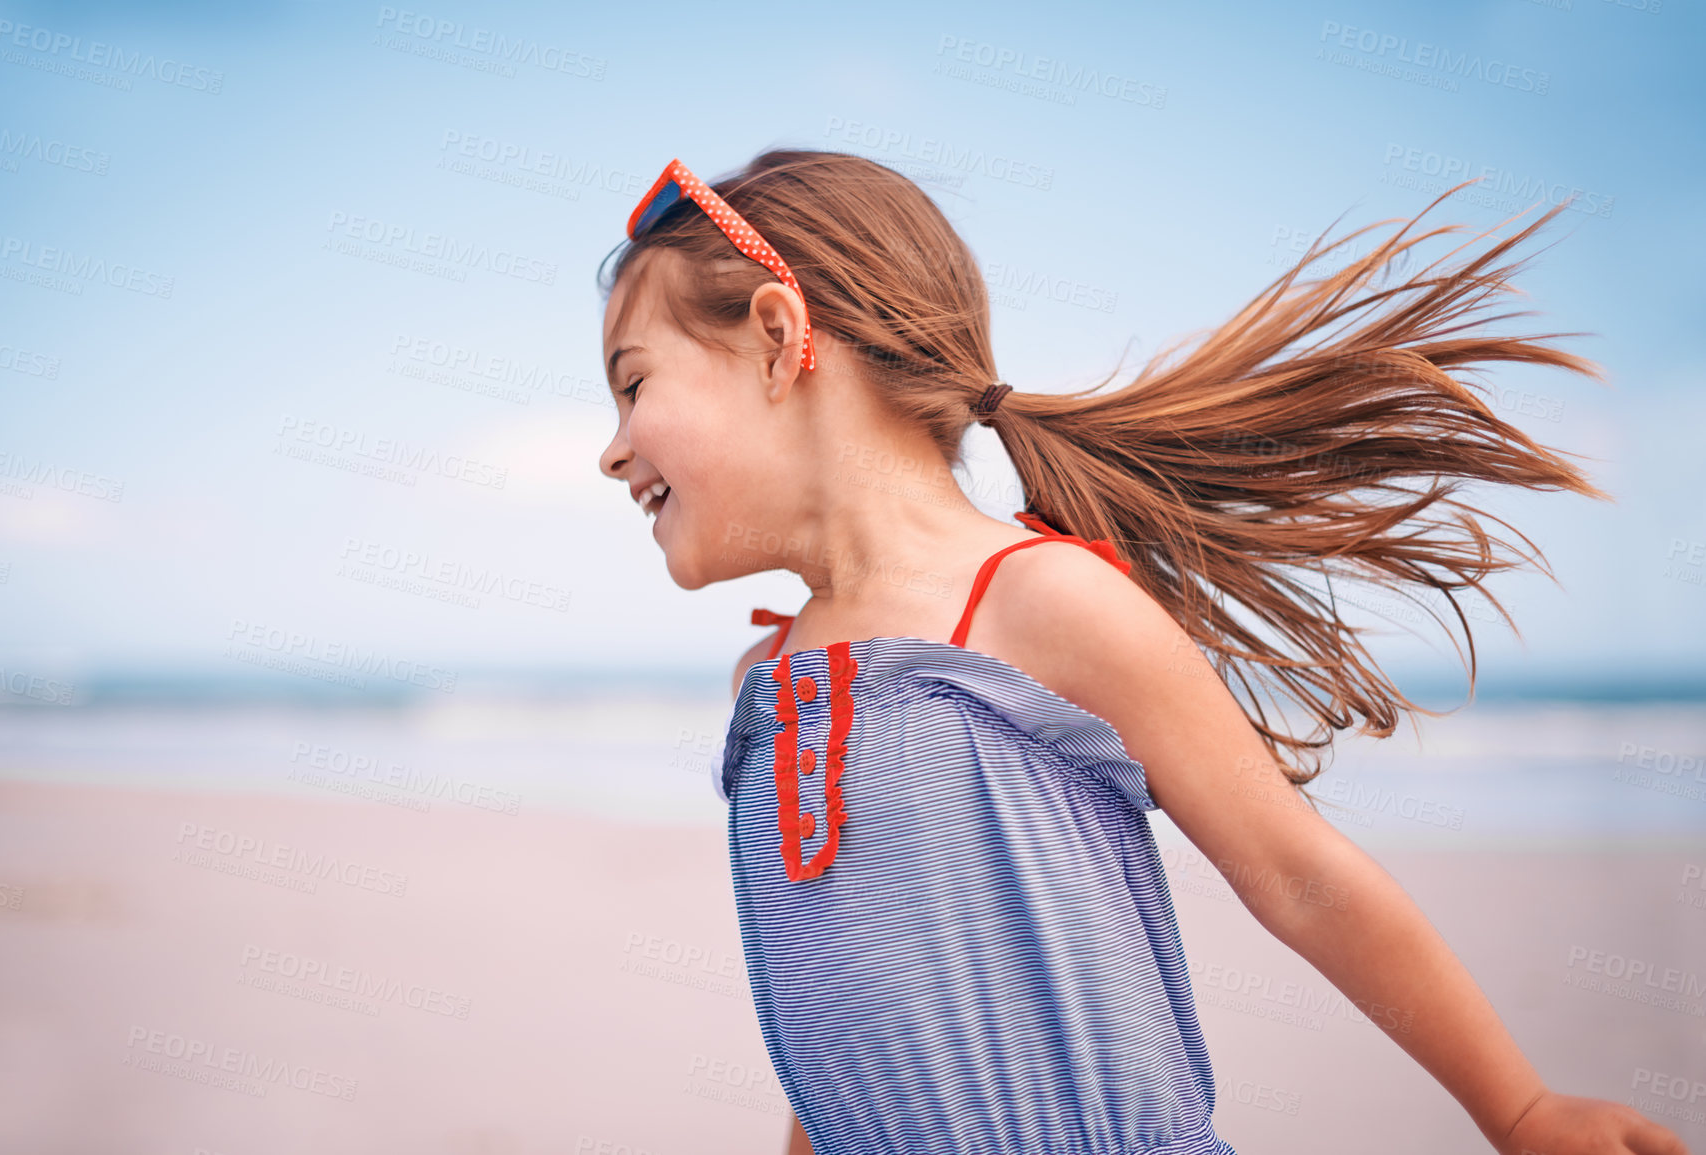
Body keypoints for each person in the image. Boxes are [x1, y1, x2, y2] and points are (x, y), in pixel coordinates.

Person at [595, 150, 1688, 1155]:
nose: (611, 448)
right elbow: (850, 1007)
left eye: (635, 383)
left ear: (783, 339)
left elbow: (1301, 880)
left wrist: (1523, 1110)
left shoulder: (1039, 604)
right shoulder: (769, 687)